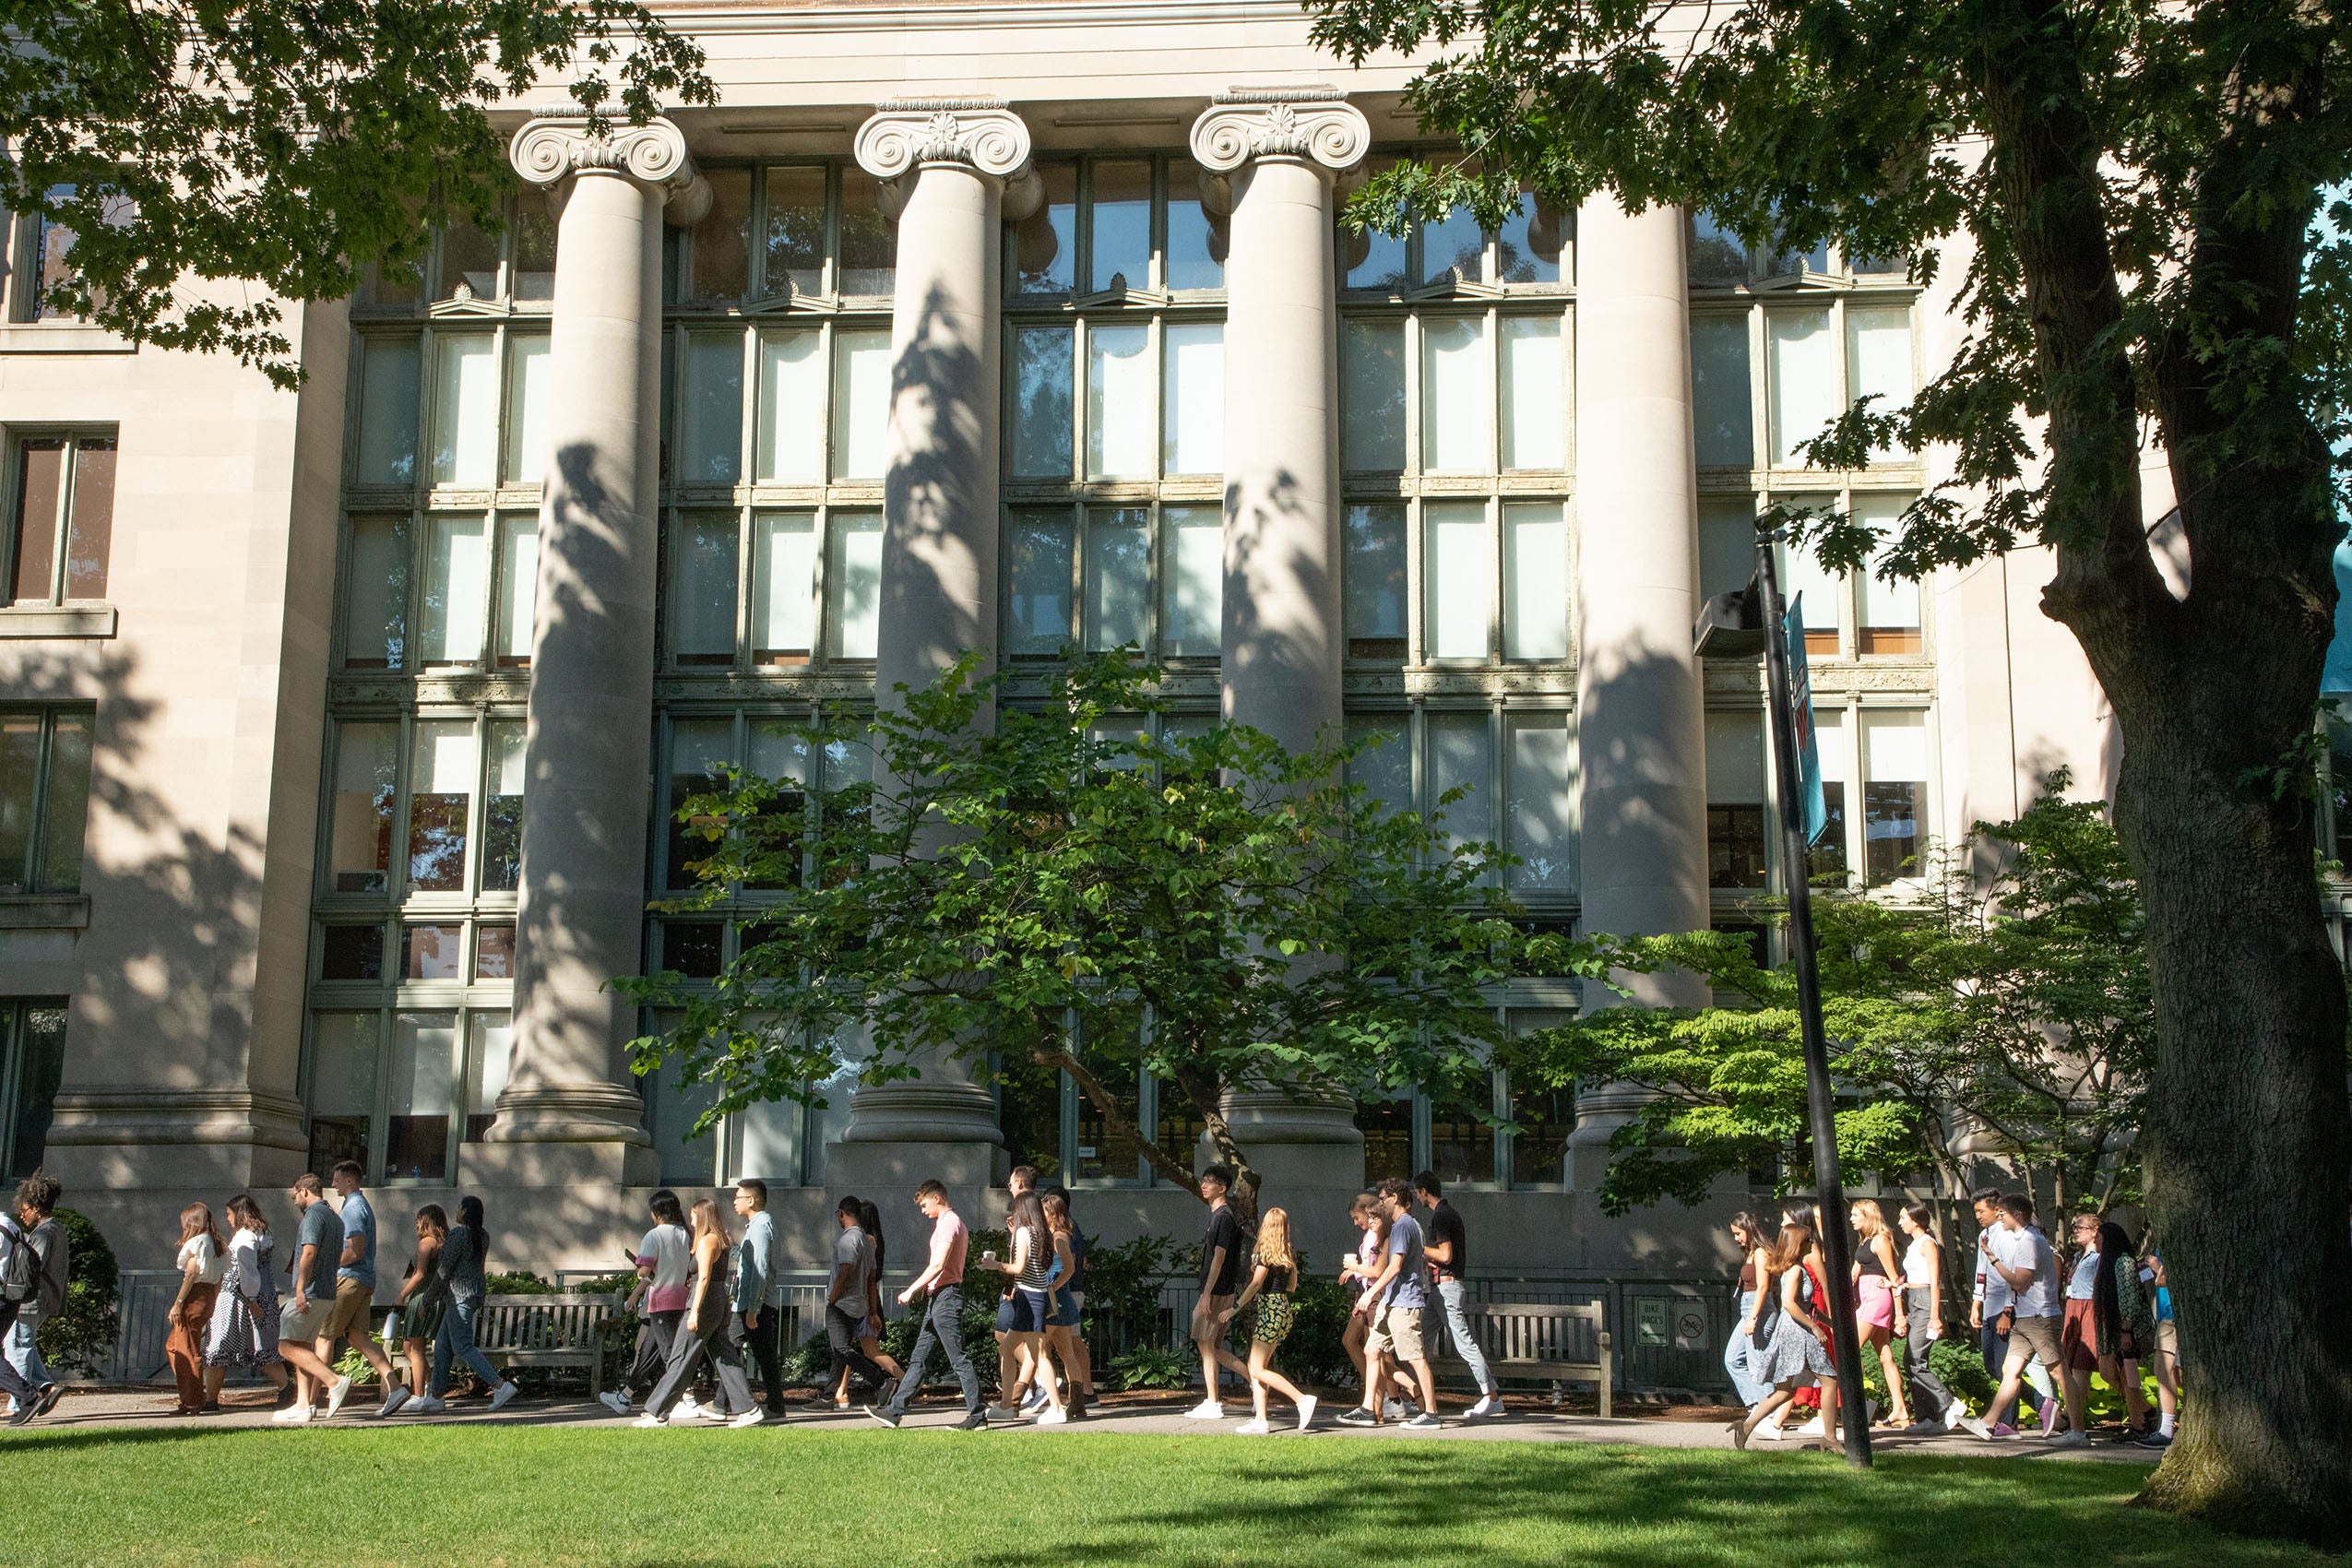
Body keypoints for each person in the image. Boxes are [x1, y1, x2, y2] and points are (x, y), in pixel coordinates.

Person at [869, 1179, 985, 1430]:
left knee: (959, 1360)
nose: (922, 1211)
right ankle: (894, 1411)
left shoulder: (949, 1223)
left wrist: (911, 1290)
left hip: (946, 1298)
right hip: (938, 1299)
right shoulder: (949, 1223)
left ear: (937, 1198)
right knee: (919, 1359)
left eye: (924, 1204)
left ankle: (977, 1416)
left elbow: (938, 1265)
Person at [638, 1197, 764, 1428]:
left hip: (704, 1301)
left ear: (703, 1215)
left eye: (694, 1215)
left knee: (681, 1355)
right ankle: (749, 1408)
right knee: (724, 1356)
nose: (692, 1221)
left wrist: (694, 1311)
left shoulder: (708, 1241)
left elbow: (703, 1277)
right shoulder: (722, 1238)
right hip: (717, 1301)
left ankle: (658, 1412)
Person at [1730, 1210, 1840, 1451]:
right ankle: (1830, 1439)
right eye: (1808, 1241)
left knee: (1785, 1391)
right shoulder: (1796, 1270)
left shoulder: (1796, 1268)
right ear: (1797, 1244)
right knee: (1830, 1382)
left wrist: (1829, 1323)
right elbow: (1789, 1304)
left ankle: (1746, 1426)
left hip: (1797, 1328)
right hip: (1798, 1332)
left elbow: (1804, 1305)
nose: (1812, 1243)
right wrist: (1815, 1328)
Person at [1340, 1177, 1441, 1429]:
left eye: (1383, 1199)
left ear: (1395, 1199)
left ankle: (1431, 1414)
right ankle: (1367, 1410)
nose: (1380, 1204)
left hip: (1405, 1303)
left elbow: (1394, 1267)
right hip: (1391, 1300)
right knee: (1372, 1351)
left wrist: (1368, 1293)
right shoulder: (1399, 1226)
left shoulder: (1403, 1226)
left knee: (1415, 1358)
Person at [1980, 1192, 2080, 1443]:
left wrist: (1994, 1260)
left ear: (2018, 1215)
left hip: (2040, 1317)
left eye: (2002, 1213)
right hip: (2025, 1318)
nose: (1999, 1216)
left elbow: (2020, 1282)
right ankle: (1987, 1423)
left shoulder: (2030, 1241)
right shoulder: (2020, 1239)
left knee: (2059, 1373)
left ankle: (2078, 1431)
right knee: (2009, 1370)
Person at [1218, 1205, 1315, 1434]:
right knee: (1257, 1367)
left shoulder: (1264, 1254)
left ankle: (1301, 1399)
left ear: (1266, 1228)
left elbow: (1255, 1284)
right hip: (1281, 1308)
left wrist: (1235, 1308)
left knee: (1257, 1368)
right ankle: (1261, 1420)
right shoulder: (1286, 1255)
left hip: (1270, 1309)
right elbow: (1291, 1287)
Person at [600, 1190, 693, 1417]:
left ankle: (688, 1398)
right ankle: (625, 1396)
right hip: (680, 1298)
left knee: (670, 1352)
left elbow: (645, 1271)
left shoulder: (654, 1236)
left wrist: (640, 1272)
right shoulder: (684, 1233)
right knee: (648, 1351)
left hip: (660, 1300)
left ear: (656, 1212)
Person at [1896, 1200, 1985, 1436]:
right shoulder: (1914, 1245)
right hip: (1914, 1298)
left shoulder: (1928, 1244)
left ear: (1915, 1220)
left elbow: (1934, 1282)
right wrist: (1901, 1286)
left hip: (1926, 1302)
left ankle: (1948, 1403)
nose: (1900, 1222)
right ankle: (1927, 1417)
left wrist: (1935, 1316)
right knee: (1911, 1361)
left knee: (1915, 1360)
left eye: (1903, 1217)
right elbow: (1916, 1277)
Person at [323, 1159, 404, 1417]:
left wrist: (328, 1266)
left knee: (323, 1336)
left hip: (349, 1279)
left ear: (350, 1181)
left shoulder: (353, 1207)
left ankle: (314, 1398)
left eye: (337, 1179)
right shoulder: (359, 1205)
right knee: (358, 1337)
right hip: (364, 1280)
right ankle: (395, 1387)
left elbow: (355, 1250)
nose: (333, 1183)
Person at [1416, 1171, 1498, 1419]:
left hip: (1446, 1289)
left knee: (1464, 1344)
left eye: (1417, 1193)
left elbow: (1445, 1256)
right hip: (1441, 1288)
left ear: (1423, 1192)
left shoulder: (1441, 1216)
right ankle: (1411, 1395)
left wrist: (1418, 1250)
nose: (1417, 1198)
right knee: (1419, 1342)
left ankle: (1491, 1396)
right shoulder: (1447, 1213)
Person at [425, 1195, 517, 1414]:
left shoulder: (458, 1234)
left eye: (458, 1208)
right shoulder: (482, 1235)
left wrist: (427, 1299)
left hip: (459, 1298)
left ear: (465, 1211)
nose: (455, 1212)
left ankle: (500, 1385)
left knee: (462, 1345)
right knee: (442, 1346)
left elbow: (444, 1270)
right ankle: (437, 1396)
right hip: (471, 1295)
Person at [200, 1194, 291, 1411]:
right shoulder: (263, 1233)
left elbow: (246, 1269)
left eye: (229, 1214)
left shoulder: (245, 1237)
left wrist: (251, 1299)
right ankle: (286, 1387)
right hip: (263, 1294)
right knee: (263, 1346)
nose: (228, 1218)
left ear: (238, 1214)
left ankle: (211, 1399)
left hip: (238, 1297)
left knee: (218, 1346)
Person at [276, 1174, 351, 1422]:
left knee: (286, 1346)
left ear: (305, 1192)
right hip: (327, 1293)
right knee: (303, 1347)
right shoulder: (335, 1218)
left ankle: (335, 1381)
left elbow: (308, 1253)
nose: (294, 1200)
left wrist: (299, 1290)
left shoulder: (314, 1215)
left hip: (310, 1292)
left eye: (294, 1195)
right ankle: (303, 1404)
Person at [1967, 1185, 2044, 1423]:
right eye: (1976, 1212)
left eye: (1982, 1211)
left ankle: (2007, 1422)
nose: (1979, 1216)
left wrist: (2008, 1310)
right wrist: (1976, 1303)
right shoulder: (1984, 1236)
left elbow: (2014, 1274)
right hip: (1989, 1305)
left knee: (2005, 1368)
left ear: (1996, 1209)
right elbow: (1982, 1270)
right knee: (1991, 1366)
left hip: (2004, 1306)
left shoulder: (2007, 1234)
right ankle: (2043, 1403)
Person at [982, 1189, 1060, 1422]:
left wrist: (995, 1265)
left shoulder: (1025, 1232)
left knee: (1040, 1355)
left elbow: (1018, 1268)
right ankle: (1007, 1405)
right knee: (1007, 1349)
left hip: (1030, 1299)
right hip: (1032, 1297)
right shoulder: (1040, 1231)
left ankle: (1057, 1407)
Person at [1182, 1163, 1251, 1420]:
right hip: (1222, 1290)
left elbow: (1219, 1257)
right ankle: (1257, 1382)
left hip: (1217, 1290)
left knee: (1205, 1345)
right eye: (1203, 1179)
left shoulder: (1223, 1217)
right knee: (1213, 1347)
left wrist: (1206, 1293)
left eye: (1210, 1181)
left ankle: (1213, 1402)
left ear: (1222, 1188)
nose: (1204, 1184)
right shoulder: (1220, 1216)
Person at [3, 1171, 65, 1421]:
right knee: (24, 1345)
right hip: (45, 1299)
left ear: (37, 1208)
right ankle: (47, 1387)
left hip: (30, 1300)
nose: (23, 1214)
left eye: (26, 1208)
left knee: (17, 1346)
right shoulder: (56, 1229)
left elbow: (30, 1269)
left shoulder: (43, 1233)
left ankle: (20, 1403)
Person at [829, 1198, 903, 1410]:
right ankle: (841, 1391)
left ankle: (843, 1391)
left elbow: (851, 1274)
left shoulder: (862, 1240)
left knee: (846, 1347)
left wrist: (833, 1299)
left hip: (857, 1302)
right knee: (861, 1349)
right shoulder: (875, 1240)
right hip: (869, 1301)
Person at [1848, 1199, 1913, 1429]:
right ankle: (1900, 1410)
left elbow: (1894, 1278)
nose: (1851, 1219)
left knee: (1849, 1352)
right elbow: (1855, 1272)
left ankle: (1854, 1407)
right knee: (1885, 1356)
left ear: (1869, 1216)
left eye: (1856, 1215)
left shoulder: (1880, 1240)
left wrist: (1899, 1314)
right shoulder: (1864, 1241)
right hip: (1866, 1297)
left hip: (1877, 1298)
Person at [2088, 1218, 2156, 1441]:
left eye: (2099, 1237)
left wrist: (2126, 1330)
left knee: (2129, 1378)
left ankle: (2139, 1426)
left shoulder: (2123, 1262)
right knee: (2108, 1373)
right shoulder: (2104, 1262)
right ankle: (2145, 1409)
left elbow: (2130, 1298)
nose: (2095, 1241)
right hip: (2111, 1330)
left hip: (2127, 1331)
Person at [732, 1178, 790, 1420]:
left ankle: (771, 1406)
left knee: (755, 1353)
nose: (734, 1202)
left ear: (751, 1200)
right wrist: (732, 1247)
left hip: (755, 1304)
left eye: (738, 1197)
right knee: (733, 1346)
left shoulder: (761, 1226)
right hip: (749, 1302)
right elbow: (749, 1260)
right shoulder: (757, 1226)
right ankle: (725, 1402)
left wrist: (754, 1308)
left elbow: (760, 1268)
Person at [167, 1202, 226, 1416]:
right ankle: (189, 1395)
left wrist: (178, 1303)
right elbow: (219, 1277)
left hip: (194, 1296)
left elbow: (191, 1273)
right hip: (207, 1295)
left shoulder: (198, 1242)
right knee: (174, 1345)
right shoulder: (216, 1243)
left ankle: (192, 1401)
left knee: (187, 1350)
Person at [389, 1205, 450, 1410]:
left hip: (422, 1297)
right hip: (437, 1297)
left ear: (427, 1221)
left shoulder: (426, 1243)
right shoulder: (443, 1242)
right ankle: (430, 1385)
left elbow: (420, 1274)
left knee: (415, 1348)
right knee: (410, 1347)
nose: (416, 1223)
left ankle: (417, 1396)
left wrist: (401, 1295)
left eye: (418, 1218)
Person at [1039, 1191, 1091, 1420]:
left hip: (1056, 1302)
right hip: (1060, 1301)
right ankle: (1077, 1404)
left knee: (1040, 1351)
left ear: (1052, 1213)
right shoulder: (1056, 1235)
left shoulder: (1059, 1237)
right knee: (1066, 1351)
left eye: (1043, 1212)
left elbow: (1069, 1268)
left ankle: (1055, 1404)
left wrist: (1053, 1287)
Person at [992, 1165, 1039, 1407]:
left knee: (1011, 1344)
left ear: (1020, 1183)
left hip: (1025, 1292)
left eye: (1011, 1183)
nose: (1009, 1187)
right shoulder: (1030, 1222)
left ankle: (1022, 1393)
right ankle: (1014, 1398)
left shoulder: (1026, 1209)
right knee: (1013, 1343)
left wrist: (997, 1267)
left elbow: (1019, 1265)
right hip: (1026, 1291)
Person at [1723, 1212, 1775, 1414]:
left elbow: (1763, 1287)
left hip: (1758, 1309)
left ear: (1749, 1229)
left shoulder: (1761, 1252)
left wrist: (1753, 1318)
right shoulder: (1751, 1252)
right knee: (1732, 1359)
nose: (1736, 1238)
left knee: (1757, 1365)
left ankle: (1770, 1412)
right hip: (1748, 1308)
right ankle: (1757, 1404)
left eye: (1738, 1233)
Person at [2136, 1239, 2180, 1447]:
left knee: (2165, 1371)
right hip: (2165, 1314)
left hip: (2173, 1315)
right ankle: (2167, 1428)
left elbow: (2169, 1279)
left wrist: (2156, 1268)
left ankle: (2167, 1430)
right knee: (2167, 1371)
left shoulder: (2178, 1240)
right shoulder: (2164, 1242)